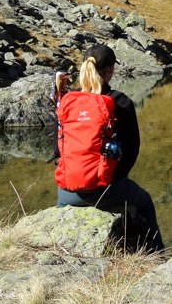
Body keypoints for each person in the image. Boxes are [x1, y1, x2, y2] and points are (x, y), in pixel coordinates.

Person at [55, 44, 165, 252]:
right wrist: (114, 179)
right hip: (104, 190)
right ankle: (157, 255)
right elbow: (131, 151)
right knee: (145, 202)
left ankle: (60, 243)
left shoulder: (69, 101)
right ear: (110, 70)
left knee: (62, 211)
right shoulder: (120, 102)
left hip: (66, 192)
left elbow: (58, 148)